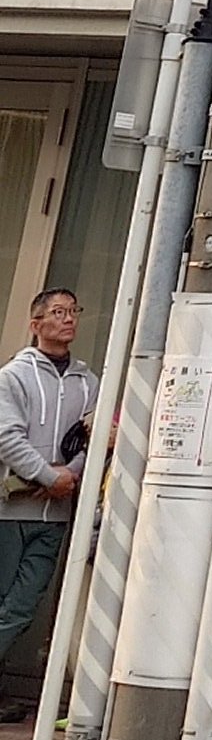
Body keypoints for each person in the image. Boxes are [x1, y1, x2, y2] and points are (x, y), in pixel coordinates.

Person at [0, 285, 95, 690]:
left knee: (22, 606)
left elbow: (96, 438)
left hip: (55, 515)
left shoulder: (88, 381)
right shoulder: (13, 376)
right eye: (58, 312)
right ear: (35, 324)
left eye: (73, 310)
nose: (68, 318)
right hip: (10, 510)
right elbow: (7, 437)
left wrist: (68, 475)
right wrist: (47, 476)